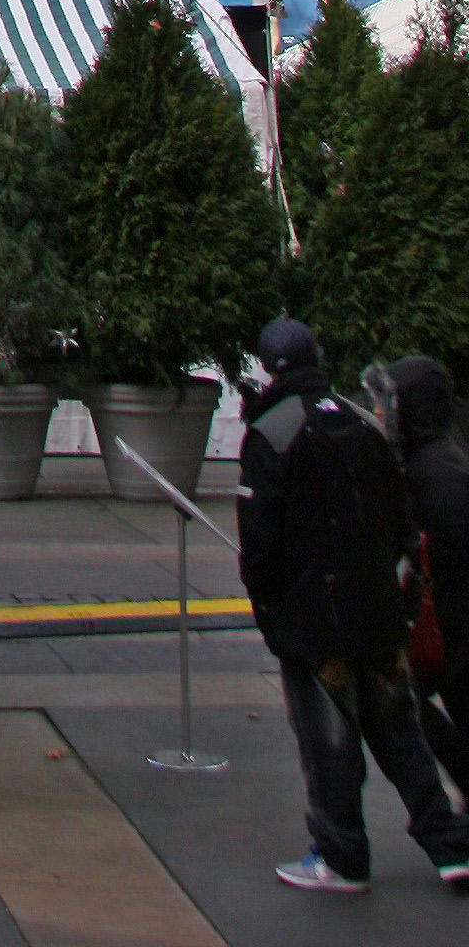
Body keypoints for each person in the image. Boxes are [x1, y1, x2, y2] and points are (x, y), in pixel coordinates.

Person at [238, 314, 469, 894]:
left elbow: (260, 542)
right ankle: (449, 847)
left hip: (317, 620)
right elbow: (399, 525)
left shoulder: (272, 431)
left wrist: (272, 609)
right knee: (401, 735)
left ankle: (342, 855)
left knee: (329, 740)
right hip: (377, 616)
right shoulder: (359, 426)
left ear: (269, 367)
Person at [370, 355, 469, 803]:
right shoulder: (429, 462)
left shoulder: (436, 471)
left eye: (385, 404)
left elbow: (444, 550)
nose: (378, 414)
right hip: (445, 625)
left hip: (452, 625)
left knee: (407, 705)